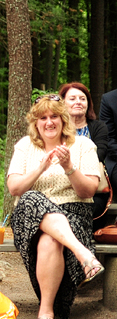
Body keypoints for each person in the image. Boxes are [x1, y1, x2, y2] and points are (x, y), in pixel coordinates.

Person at [6, 94, 103, 319]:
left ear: (64, 120)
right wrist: (41, 167)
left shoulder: (83, 146)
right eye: (43, 118)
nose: (49, 122)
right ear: (35, 123)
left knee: (51, 238)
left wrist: (69, 167)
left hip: (73, 214)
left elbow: (88, 191)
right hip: (30, 218)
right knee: (30, 198)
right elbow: (15, 189)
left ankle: (46, 313)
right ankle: (83, 254)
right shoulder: (24, 146)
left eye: (55, 117)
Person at [59, 82, 110, 227]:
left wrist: (69, 164)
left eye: (82, 98)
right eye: (72, 98)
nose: (78, 102)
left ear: (88, 103)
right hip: (60, 190)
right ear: (62, 103)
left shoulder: (99, 127)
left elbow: (99, 154)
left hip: (93, 191)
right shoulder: (55, 128)